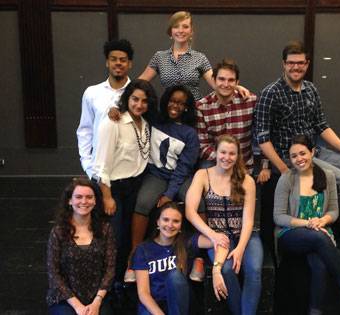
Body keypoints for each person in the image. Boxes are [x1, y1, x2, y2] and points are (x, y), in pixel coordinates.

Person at [254, 40, 340, 253]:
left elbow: (322, 126)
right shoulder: (271, 93)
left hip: (315, 152)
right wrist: (285, 170)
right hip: (292, 158)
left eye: (300, 63)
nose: (296, 67)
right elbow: (263, 139)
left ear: (307, 64)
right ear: (283, 64)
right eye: (291, 63)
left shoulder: (311, 90)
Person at [274, 135, 340, 315]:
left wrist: (323, 220)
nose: (299, 159)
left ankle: (315, 312)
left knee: (321, 265)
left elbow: (333, 211)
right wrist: (307, 223)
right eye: (294, 156)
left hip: (321, 231)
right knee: (318, 236)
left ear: (312, 152)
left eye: (303, 153)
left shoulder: (328, 177)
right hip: (291, 234)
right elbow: (279, 217)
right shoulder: (287, 179)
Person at [124, 85, 205, 283]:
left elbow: (184, 168)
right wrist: (116, 110)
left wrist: (170, 193)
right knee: (142, 203)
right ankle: (134, 258)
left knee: (199, 202)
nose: (175, 105)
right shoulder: (154, 120)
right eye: (172, 100)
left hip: (180, 177)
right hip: (156, 175)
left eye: (181, 103)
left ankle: (200, 258)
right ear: (165, 100)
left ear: (186, 107)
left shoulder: (189, 133)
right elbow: (134, 109)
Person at [186, 134, 263, 315]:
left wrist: (241, 248)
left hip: (246, 234)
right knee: (227, 270)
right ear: (215, 152)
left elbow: (249, 220)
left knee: (254, 270)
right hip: (219, 236)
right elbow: (190, 211)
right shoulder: (202, 175)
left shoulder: (247, 180)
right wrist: (212, 235)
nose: (226, 158)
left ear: (237, 156)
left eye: (232, 154)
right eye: (223, 152)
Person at [92, 79, 158, 284]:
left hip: (136, 186)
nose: (139, 105)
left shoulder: (146, 124)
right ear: (127, 98)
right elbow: (101, 164)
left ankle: (128, 278)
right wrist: (107, 196)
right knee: (116, 239)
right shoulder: (113, 122)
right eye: (135, 99)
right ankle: (111, 284)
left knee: (131, 237)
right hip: (114, 189)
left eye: (144, 101)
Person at [132, 201, 225, 315]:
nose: (170, 225)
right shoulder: (143, 249)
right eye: (166, 220)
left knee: (174, 275)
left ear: (181, 225)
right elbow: (143, 293)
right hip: (154, 305)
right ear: (157, 222)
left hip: (181, 304)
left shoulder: (187, 241)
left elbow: (221, 241)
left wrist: (217, 270)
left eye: (176, 221)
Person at [137, 11, 249, 101]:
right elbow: (140, 83)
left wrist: (236, 87)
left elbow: (217, 84)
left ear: (191, 32)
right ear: (170, 31)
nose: (181, 30)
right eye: (176, 26)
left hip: (193, 114)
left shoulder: (200, 58)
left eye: (185, 27)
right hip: (169, 112)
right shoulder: (159, 57)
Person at [47, 177, 116, 315]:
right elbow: (53, 273)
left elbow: (110, 269)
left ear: (95, 201)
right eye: (78, 197)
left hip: (98, 298)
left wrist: (96, 303)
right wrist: (77, 306)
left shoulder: (105, 229)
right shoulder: (58, 231)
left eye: (89, 197)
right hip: (65, 299)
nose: (84, 201)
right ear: (70, 201)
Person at [195, 58, 270, 183]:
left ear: (237, 82)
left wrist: (265, 166)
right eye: (221, 79)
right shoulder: (202, 107)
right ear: (214, 80)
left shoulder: (250, 101)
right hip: (216, 163)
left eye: (231, 80)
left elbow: (262, 135)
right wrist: (228, 160)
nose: (226, 84)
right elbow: (203, 147)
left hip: (244, 166)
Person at [77, 39, 134, 178]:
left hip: (130, 171)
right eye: (113, 59)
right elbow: (85, 130)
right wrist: (87, 165)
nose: (118, 63)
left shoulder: (137, 94)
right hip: (99, 169)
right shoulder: (92, 93)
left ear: (130, 64)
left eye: (123, 60)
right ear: (107, 62)